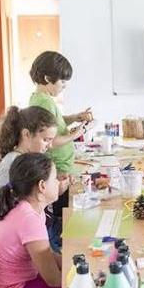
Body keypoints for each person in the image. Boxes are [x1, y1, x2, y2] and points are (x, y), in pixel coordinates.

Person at [28, 51, 93, 251]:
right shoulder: (43, 101)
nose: (64, 87)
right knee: (62, 215)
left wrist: (75, 117)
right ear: (48, 78)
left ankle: (63, 249)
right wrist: (78, 133)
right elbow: (52, 140)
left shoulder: (42, 98)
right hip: (58, 166)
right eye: (62, 83)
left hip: (62, 165)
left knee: (64, 211)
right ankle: (63, 254)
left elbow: (56, 122)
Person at [0, 153, 62, 288]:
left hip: (10, 287)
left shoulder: (25, 207)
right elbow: (54, 280)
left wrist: (72, 262)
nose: (58, 183)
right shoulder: (28, 219)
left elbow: (47, 255)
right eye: (55, 178)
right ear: (42, 186)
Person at [0, 106, 58, 187]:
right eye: (46, 140)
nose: (50, 146)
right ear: (26, 134)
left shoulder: (27, 159)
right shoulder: (14, 164)